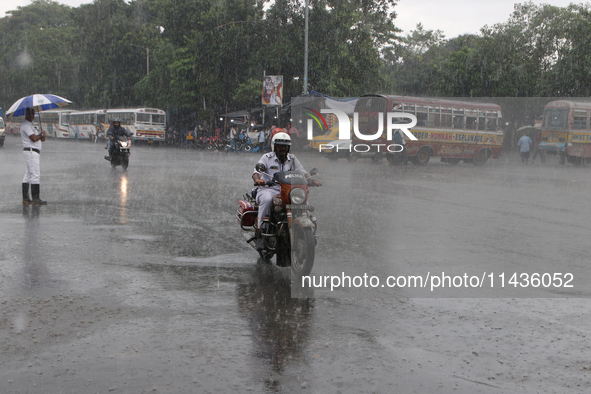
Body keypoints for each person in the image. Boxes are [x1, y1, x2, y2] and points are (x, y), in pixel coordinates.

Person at [252, 132, 320, 250]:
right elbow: (256, 172)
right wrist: (258, 180)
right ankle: (259, 233)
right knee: (267, 200)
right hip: (269, 189)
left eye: (285, 146)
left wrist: (311, 180)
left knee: (304, 203)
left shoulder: (292, 159)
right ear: (274, 146)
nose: (283, 148)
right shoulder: (267, 158)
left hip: (288, 191)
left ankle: (308, 233)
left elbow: (302, 172)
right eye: (280, 145)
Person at [21, 107, 47, 205]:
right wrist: (40, 136)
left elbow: (39, 139)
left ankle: (26, 198)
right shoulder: (26, 125)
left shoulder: (31, 125)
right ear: (26, 114)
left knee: (28, 175)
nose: (32, 115)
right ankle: (35, 198)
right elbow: (33, 138)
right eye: (30, 113)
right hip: (31, 152)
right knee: (35, 174)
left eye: (33, 113)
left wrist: (41, 135)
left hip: (32, 151)